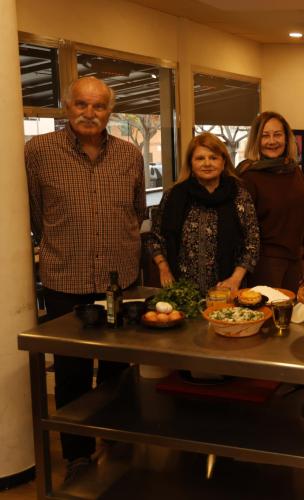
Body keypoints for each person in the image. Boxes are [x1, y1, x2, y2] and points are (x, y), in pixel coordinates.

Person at [25, 76, 146, 480]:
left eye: (98, 106)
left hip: (119, 279)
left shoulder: (130, 155)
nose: (89, 113)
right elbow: (35, 213)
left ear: (110, 111)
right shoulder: (38, 151)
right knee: (72, 371)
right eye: (81, 104)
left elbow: (136, 211)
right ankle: (77, 454)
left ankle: (115, 436)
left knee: (117, 369)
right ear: (67, 106)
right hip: (65, 278)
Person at [148, 133, 259, 294]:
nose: (207, 163)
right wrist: (164, 268)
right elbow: (155, 239)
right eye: (200, 158)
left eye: (213, 158)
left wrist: (235, 279)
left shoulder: (240, 196)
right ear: (191, 163)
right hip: (182, 292)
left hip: (227, 290)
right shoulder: (173, 196)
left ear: (223, 162)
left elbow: (252, 243)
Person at [236, 111, 304, 293]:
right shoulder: (248, 176)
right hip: (265, 263)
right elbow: (242, 229)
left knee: (290, 309)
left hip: (295, 260)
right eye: (265, 136)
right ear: (256, 140)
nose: (272, 141)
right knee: (268, 309)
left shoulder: (294, 170)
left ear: (286, 138)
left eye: (277, 134)